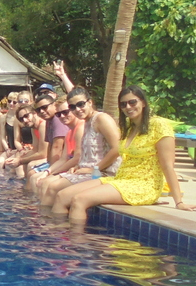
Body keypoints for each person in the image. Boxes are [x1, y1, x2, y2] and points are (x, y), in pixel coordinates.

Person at [53, 85, 196, 222]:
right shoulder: (128, 126)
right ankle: (58, 241)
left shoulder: (158, 126)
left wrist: (179, 202)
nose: (128, 107)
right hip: (121, 179)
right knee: (62, 196)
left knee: (79, 200)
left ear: (144, 102)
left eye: (132, 102)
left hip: (143, 185)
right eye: (123, 104)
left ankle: (75, 244)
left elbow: (168, 166)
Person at [39, 87, 121, 207]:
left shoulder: (102, 119)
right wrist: (79, 166)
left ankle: (50, 224)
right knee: (50, 186)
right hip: (89, 171)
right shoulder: (87, 122)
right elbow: (93, 153)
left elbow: (117, 148)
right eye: (72, 107)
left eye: (81, 104)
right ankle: (45, 222)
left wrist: (95, 169)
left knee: (58, 193)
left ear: (90, 102)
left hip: (104, 173)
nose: (77, 109)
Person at [0, 92, 20, 174]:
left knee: (9, 164)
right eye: (9, 101)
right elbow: (2, 137)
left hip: (19, 149)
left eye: (14, 102)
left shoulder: (21, 117)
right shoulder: (3, 117)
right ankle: (1, 184)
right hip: (10, 148)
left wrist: (17, 150)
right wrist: (7, 149)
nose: (11, 104)